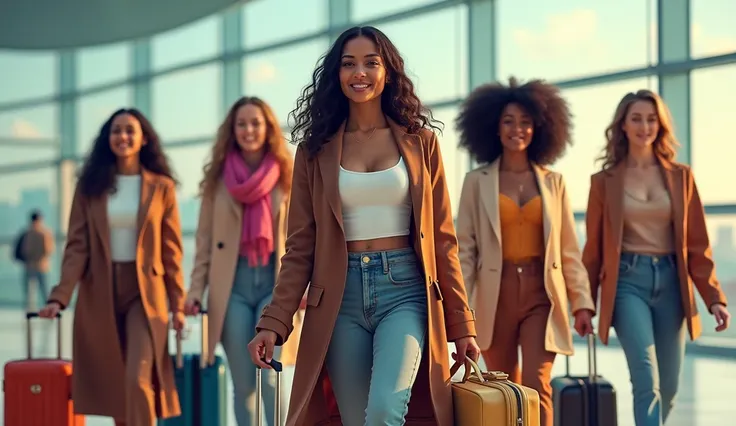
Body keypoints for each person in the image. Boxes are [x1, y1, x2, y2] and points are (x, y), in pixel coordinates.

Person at [246, 26, 480, 426]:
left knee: (385, 412)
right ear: (336, 75)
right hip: (338, 300)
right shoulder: (313, 151)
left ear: (388, 71)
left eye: (371, 63)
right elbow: (300, 247)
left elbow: (444, 241)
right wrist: (274, 322)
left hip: (404, 290)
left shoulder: (420, 142)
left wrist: (462, 324)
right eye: (348, 63)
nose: (360, 72)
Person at [582, 89, 731, 426]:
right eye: (636, 118)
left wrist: (714, 299)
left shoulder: (680, 177)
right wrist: (585, 304)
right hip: (626, 283)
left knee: (670, 386)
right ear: (622, 125)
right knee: (646, 379)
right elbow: (593, 250)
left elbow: (697, 246)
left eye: (651, 119)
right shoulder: (603, 182)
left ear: (660, 125)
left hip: (671, 283)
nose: (644, 126)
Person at [454, 77, 596, 426]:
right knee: (503, 388)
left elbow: (567, 250)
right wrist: (459, 309)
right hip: (494, 295)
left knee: (537, 384)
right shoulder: (476, 182)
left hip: (541, 296)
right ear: (494, 127)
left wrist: (582, 303)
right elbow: (465, 250)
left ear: (540, 127)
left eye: (525, 122)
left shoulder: (553, 182)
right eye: (508, 121)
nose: (517, 129)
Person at [39, 108, 186, 426]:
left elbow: (171, 250)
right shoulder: (90, 187)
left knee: (137, 379)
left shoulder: (161, 187)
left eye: (130, 130)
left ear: (144, 138)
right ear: (108, 139)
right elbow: (77, 247)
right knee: (116, 386)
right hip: (100, 292)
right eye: (116, 131)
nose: (123, 136)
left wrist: (178, 304)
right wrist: (59, 297)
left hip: (146, 294)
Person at [184, 96, 304, 426]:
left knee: (270, 378)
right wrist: (195, 291)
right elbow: (205, 243)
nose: (249, 130)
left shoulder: (288, 176)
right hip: (231, 289)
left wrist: (306, 285)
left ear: (267, 129)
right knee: (244, 386)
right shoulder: (218, 180)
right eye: (242, 124)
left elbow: (306, 237)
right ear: (232, 130)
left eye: (256, 123)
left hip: (275, 285)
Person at [19, 209, 55, 311]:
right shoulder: (45, 233)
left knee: (30, 292)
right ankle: (48, 309)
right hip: (41, 266)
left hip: (30, 265)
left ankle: (30, 310)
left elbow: (24, 250)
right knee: (44, 290)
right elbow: (49, 250)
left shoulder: (27, 233)